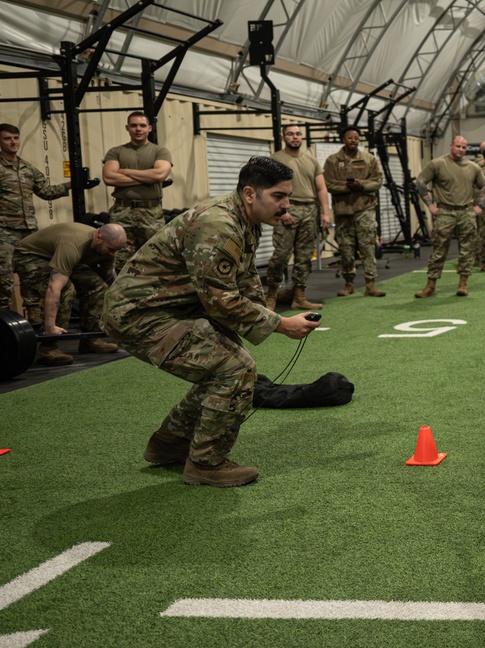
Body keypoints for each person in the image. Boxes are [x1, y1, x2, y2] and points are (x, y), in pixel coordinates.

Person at [101, 157, 321, 487]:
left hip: (173, 309)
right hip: (140, 315)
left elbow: (245, 280)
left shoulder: (246, 220)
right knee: (236, 368)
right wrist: (280, 325)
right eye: (278, 196)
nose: (286, 205)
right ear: (250, 193)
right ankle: (206, 463)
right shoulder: (218, 225)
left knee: (225, 363)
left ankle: (169, 444)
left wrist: (269, 318)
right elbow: (222, 300)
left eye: (287, 197)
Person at [13, 222, 126, 365]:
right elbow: (54, 288)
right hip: (31, 256)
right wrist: (50, 327)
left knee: (98, 287)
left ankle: (89, 341)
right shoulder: (73, 246)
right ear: (98, 237)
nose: (112, 254)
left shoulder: (106, 248)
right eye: (110, 249)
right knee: (66, 289)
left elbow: (110, 278)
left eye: (115, 250)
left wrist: (125, 301)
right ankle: (48, 349)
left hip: (60, 255)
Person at [0, 123, 74, 312]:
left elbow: (46, 191)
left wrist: (70, 185)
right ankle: (5, 326)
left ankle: (34, 323)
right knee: (4, 280)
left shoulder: (27, 168)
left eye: (16, 138)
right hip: (4, 232)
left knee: (33, 276)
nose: (13, 142)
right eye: (8, 138)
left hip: (29, 233)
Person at [264, 124, 330, 310]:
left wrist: (325, 213)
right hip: (287, 210)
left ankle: (299, 296)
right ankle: (271, 297)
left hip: (310, 210)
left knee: (304, 257)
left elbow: (321, 188)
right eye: (291, 134)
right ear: (283, 137)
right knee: (281, 256)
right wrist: (281, 211)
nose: (295, 137)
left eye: (298, 134)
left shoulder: (311, 160)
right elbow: (269, 189)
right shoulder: (275, 159)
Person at [413, 135, 485, 298]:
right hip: (445, 213)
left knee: (467, 250)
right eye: (458, 146)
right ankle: (430, 285)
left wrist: (479, 206)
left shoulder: (473, 167)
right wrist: (430, 205)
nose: (461, 149)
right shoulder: (438, 163)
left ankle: (463, 284)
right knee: (439, 250)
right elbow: (420, 181)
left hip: (466, 213)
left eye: (464, 147)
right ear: (451, 146)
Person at [102, 111, 172, 270]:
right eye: (134, 125)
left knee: (155, 256)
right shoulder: (116, 151)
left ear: (150, 128)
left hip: (151, 212)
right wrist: (147, 176)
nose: (138, 129)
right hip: (122, 211)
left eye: (142, 125)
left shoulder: (159, 151)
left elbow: (159, 175)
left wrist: (125, 171)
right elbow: (109, 178)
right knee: (119, 258)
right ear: (127, 128)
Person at [323, 126, 386, 297]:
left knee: (368, 247)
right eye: (350, 137)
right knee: (346, 249)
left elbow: (378, 181)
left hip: (364, 209)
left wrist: (362, 185)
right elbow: (327, 184)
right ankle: (348, 283)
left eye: (356, 138)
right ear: (343, 139)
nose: (354, 141)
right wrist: (347, 187)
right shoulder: (332, 161)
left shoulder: (368, 159)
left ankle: (371, 284)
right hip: (343, 212)